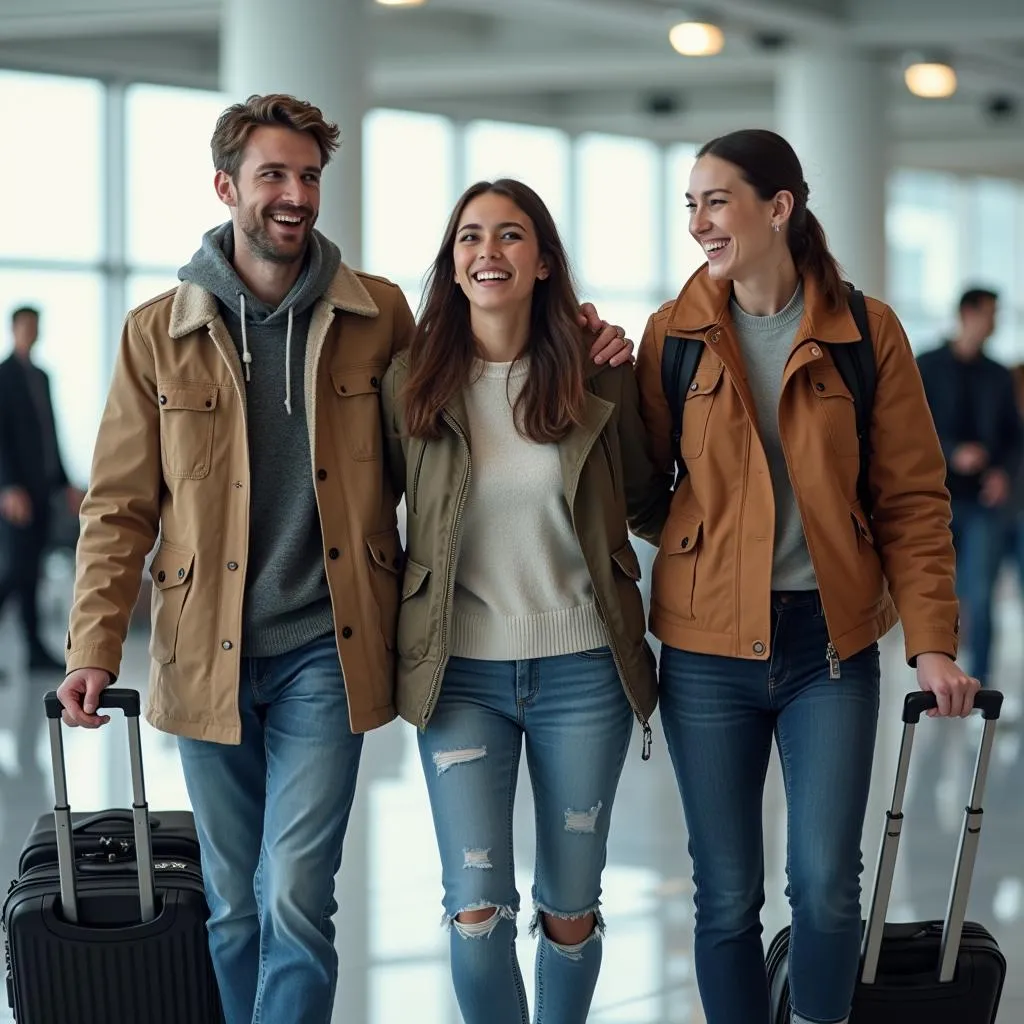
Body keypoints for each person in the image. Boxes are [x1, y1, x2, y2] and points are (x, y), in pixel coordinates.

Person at [54, 95, 632, 1024]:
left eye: (309, 177)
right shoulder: (156, 332)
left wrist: (578, 336)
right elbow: (119, 508)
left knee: (294, 893)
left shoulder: (379, 315)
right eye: (273, 176)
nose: (294, 195)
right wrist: (92, 647)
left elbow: (472, 382)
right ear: (226, 187)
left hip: (332, 641)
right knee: (235, 904)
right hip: (205, 652)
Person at [634, 128, 979, 1024]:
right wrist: (700, 539)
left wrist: (933, 643)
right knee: (725, 893)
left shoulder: (867, 331)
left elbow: (911, 497)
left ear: (778, 207)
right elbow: (637, 488)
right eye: (691, 204)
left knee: (827, 885)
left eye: (717, 201)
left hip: (829, 644)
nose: (700, 222)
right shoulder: (671, 335)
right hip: (706, 652)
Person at [381, 179, 667, 1024]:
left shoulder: (598, 381)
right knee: (475, 908)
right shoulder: (413, 384)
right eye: (470, 237)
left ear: (543, 263)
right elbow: (368, 516)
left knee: (569, 907)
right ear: (454, 262)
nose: (488, 252)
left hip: (585, 670)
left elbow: (651, 498)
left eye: (510, 237)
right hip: (458, 675)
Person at [917, 288, 1022, 687]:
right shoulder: (926, 366)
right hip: (932, 499)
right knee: (933, 591)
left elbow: (1015, 438)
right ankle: (938, 673)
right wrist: (951, 452)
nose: (994, 323)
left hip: (983, 501)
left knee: (980, 591)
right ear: (967, 314)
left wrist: (1002, 474)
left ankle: (980, 678)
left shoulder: (998, 374)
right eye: (990, 313)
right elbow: (907, 430)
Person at [0, 306, 84, 675]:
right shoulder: (3, 376)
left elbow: (51, 437)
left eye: (36, 326)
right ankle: (32, 646)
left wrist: (65, 483)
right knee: (16, 571)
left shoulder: (42, 377)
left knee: (31, 571)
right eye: (26, 326)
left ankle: (34, 650)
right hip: (16, 494)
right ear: (14, 329)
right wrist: (7, 487)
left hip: (42, 489)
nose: (32, 332)